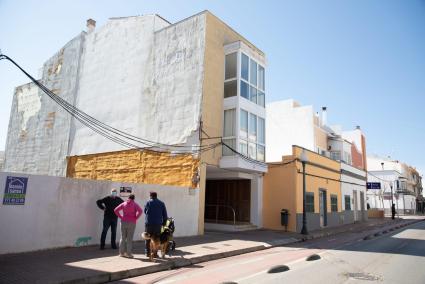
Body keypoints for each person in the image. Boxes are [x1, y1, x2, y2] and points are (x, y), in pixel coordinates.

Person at [144, 191, 168, 257]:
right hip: (158, 225)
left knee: (147, 238)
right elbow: (165, 215)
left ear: (151, 196)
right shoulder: (161, 203)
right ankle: (155, 253)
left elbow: (145, 212)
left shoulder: (148, 202)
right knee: (156, 239)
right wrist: (164, 223)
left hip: (149, 224)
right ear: (156, 196)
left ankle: (148, 253)